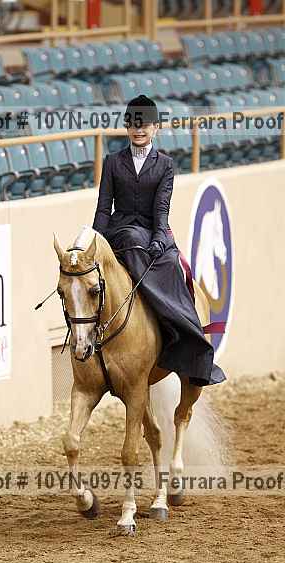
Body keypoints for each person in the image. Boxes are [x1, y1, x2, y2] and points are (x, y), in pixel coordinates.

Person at [92, 94, 226, 386]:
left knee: (175, 272)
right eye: (133, 124)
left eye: (144, 125)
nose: (138, 130)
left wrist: (157, 240)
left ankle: (189, 342)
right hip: (121, 230)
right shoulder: (113, 162)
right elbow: (103, 208)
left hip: (153, 232)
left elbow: (161, 210)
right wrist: (95, 242)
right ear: (127, 127)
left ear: (156, 128)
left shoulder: (165, 164)